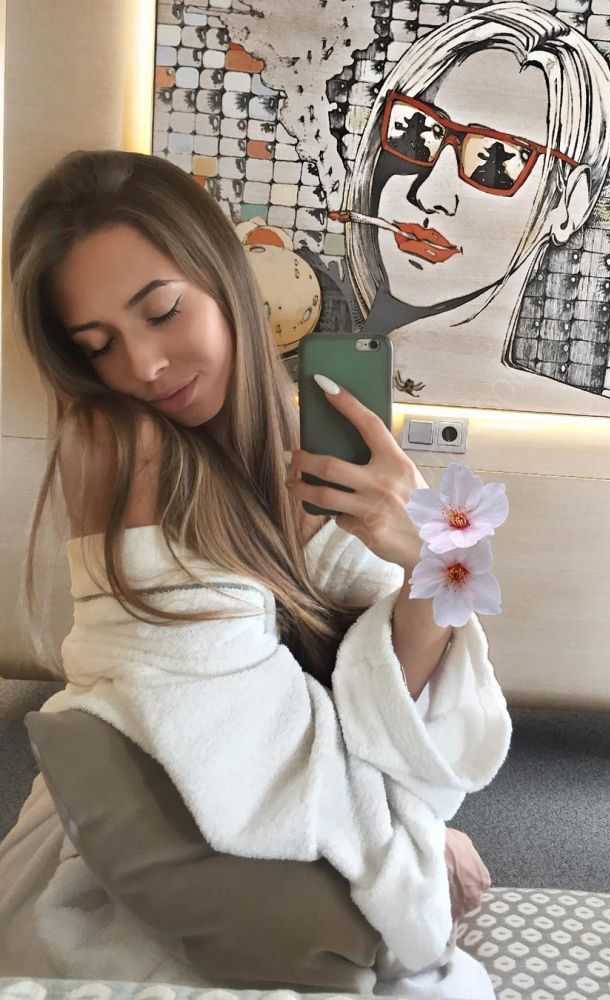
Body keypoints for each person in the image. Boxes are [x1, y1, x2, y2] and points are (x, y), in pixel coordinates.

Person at [0, 149, 512, 997]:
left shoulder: (318, 447)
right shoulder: (125, 446)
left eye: (162, 311)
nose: (143, 366)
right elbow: (232, 737)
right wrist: (408, 845)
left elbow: (397, 709)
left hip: (291, 813)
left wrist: (429, 554)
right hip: (157, 832)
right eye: (100, 346)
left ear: (225, 276)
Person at [344, 0, 610, 419]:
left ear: (569, 203)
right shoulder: (280, 394)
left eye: (495, 162)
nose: (431, 193)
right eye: (415, 132)